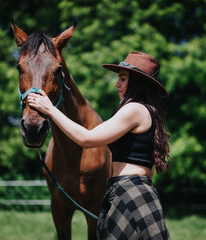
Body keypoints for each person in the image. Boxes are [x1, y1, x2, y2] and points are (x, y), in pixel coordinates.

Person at [28, 51, 171, 239]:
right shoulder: (149, 112)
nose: (116, 84)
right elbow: (149, 169)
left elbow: (86, 139)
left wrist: (50, 109)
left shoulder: (134, 109)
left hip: (128, 192)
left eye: (122, 79)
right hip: (137, 191)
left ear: (137, 82)